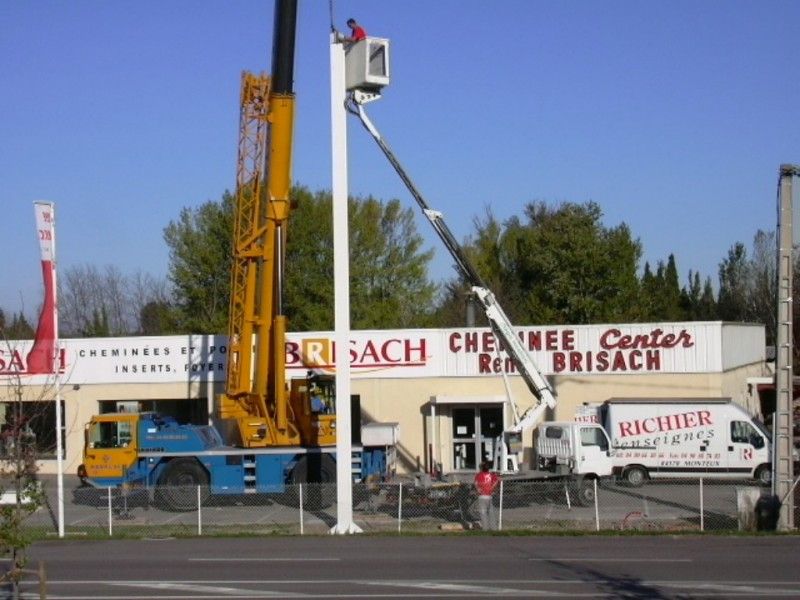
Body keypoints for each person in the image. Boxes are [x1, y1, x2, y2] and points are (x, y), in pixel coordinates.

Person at [473, 461, 500, 530]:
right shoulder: (491, 475)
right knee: (491, 512)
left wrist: (478, 489)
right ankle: (494, 528)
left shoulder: (478, 475)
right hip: (489, 496)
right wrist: (492, 488)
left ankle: (485, 528)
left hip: (482, 496)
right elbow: (497, 480)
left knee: (483, 513)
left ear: (481, 468)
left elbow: (475, 483)